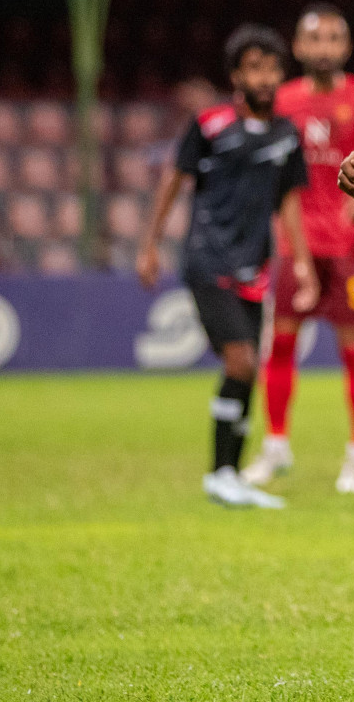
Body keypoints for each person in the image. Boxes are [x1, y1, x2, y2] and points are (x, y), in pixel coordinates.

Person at [136, 25, 319, 509]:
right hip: (207, 259)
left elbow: (289, 203)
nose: (265, 76)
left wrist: (302, 263)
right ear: (237, 74)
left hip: (254, 266)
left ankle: (230, 476)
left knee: (248, 368)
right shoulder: (210, 124)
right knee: (239, 361)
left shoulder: (286, 135)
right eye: (254, 67)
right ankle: (221, 473)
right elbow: (173, 182)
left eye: (273, 67)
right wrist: (149, 244)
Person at [242, 4, 354, 494]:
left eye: (333, 38)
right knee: (281, 344)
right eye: (314, 38)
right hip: (295, 244)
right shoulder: (283, 101)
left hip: (352, 246)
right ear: (297, 47)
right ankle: (274, 446)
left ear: (346, 47)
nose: (324, 47)